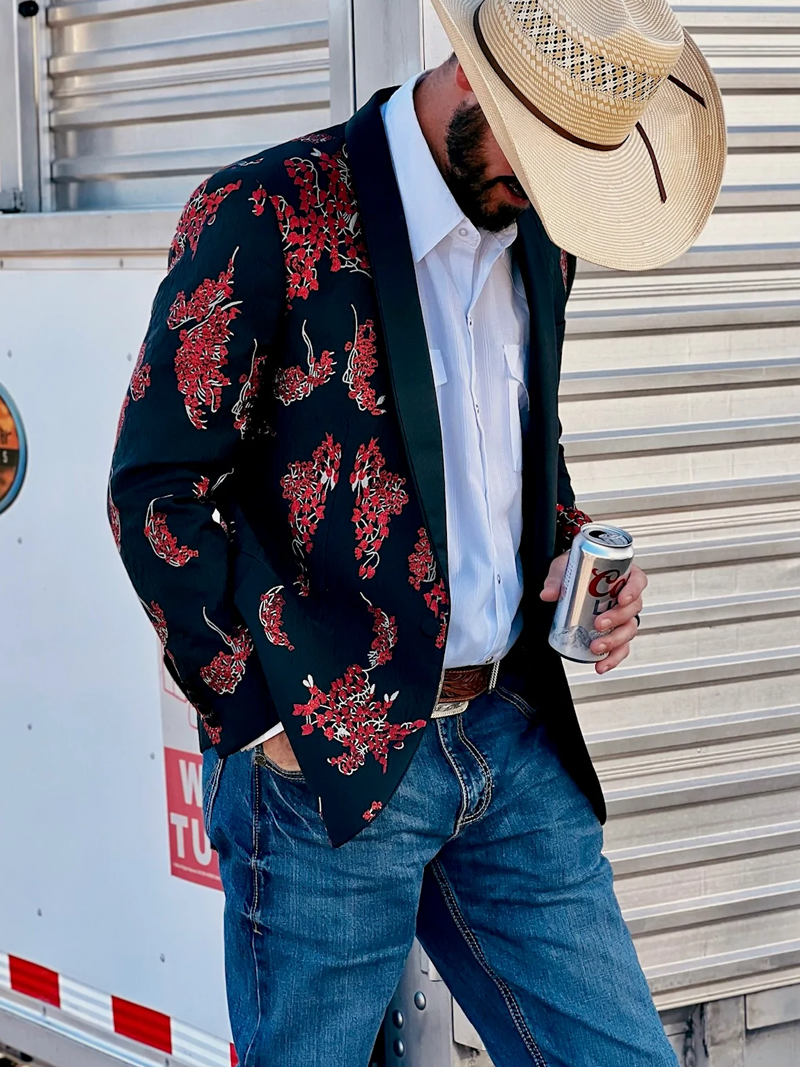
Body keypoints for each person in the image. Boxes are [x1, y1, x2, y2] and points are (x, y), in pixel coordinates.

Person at [108, 0, 725, 1063]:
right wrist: (260, 718)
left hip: (508, 740)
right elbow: (155, 489)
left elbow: (517, 450)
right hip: (318, 756)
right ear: (475, 78)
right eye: (540, 160)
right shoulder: (266, 211)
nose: (549, 195)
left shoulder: (541, 242)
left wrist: (576, 557)